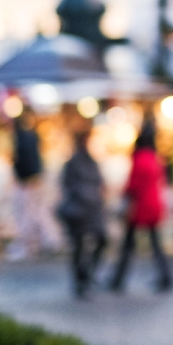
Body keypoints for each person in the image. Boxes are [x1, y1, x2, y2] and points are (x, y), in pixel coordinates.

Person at [109, 123, 173, 293]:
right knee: (155, 244)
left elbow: (133, 185)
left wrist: (123, 196)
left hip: (140, 206)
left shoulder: (139, 159)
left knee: (128, 245)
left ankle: (118, 278)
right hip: (154, 205)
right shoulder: (155, 158)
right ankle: (166, 276)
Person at [57, 127, 107, 298]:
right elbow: (68, 184)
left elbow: (99, 181)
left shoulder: (90, 161)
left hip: (93, 209)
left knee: (99, 241)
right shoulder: (74, 162)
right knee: (79, 246)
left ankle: (86, 275)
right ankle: (80, 280)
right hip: (80, 210)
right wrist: (86, 194)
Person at [8, 109, 60, 260]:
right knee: (38, 212)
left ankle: (32, 244)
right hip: (35, 179)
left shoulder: (21, 138)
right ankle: (48, 241)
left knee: (28, 214)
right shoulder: (32, 136)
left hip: (28, 182)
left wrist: (24, 178)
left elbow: (24, 161)